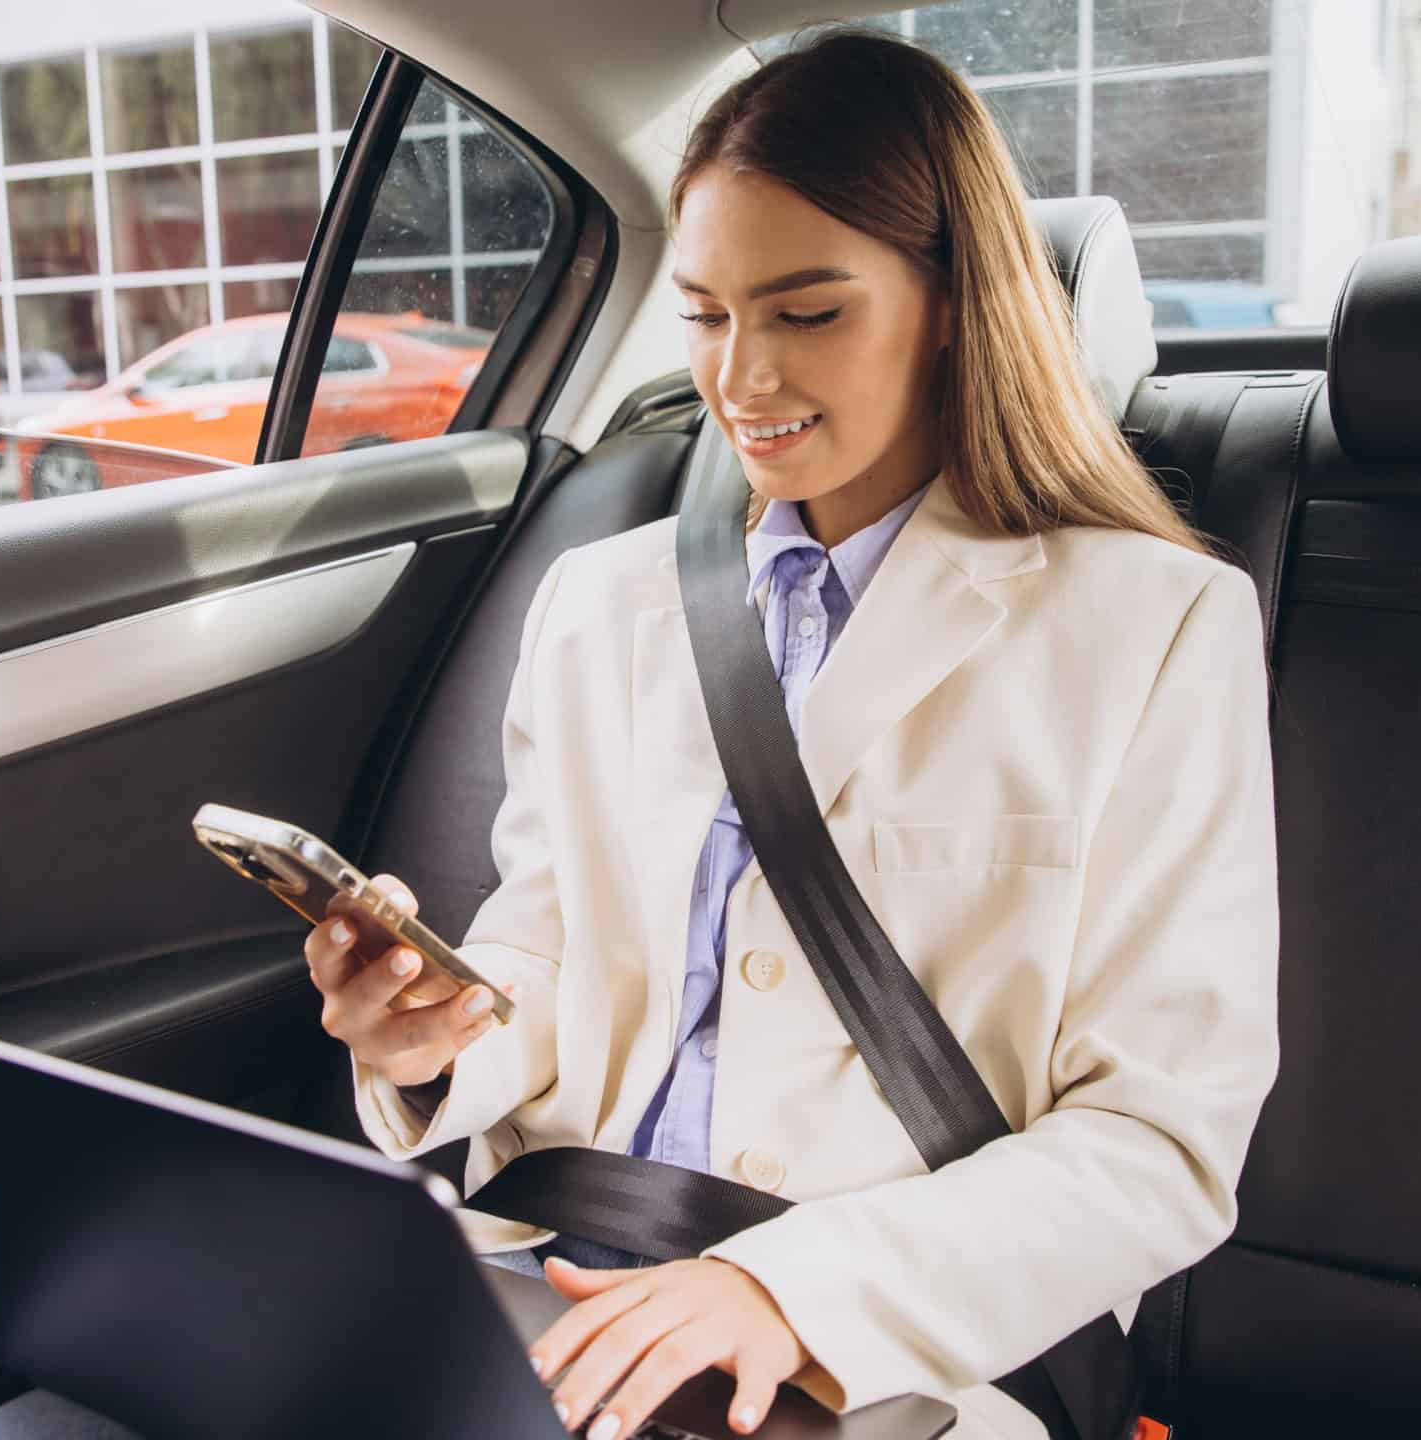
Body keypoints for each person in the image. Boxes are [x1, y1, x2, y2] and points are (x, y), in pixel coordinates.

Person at [302, 29, 1279, 1440]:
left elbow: (1162, 1144)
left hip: (892, 1349)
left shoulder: (1152, 626)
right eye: (704, 315)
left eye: (807, 312)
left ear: (955, 303)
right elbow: (553, 953)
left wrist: (793, 1292)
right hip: (562, 1269)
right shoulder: (597, 604)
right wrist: (431, 1037)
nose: (741, 378)